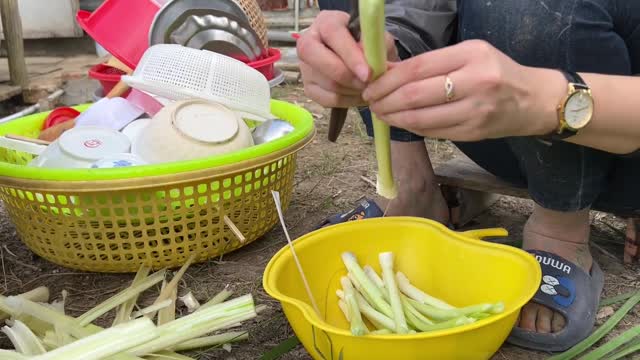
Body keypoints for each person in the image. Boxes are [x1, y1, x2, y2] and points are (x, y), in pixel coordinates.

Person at [298, 0, 640, 352]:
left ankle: (561, 230)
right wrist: (384, 40)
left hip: (616, 133)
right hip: (505, 118)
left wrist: (544, 98)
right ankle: (413, 188)